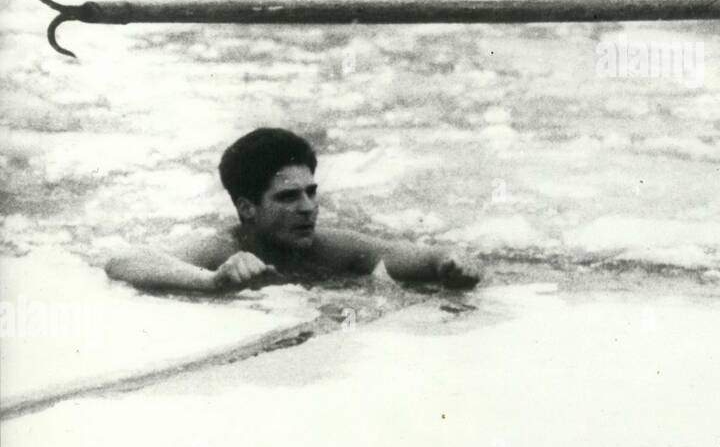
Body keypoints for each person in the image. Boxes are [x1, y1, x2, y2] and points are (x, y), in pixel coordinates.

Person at [106, 128, 480, 293]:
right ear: (248, 208)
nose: (308, 209)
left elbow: (425, 258)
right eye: (287, 197)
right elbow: (123, 261)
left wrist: (452, 261)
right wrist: (210, 281)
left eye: (311, 193)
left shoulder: (329, 247)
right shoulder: (222, 250)